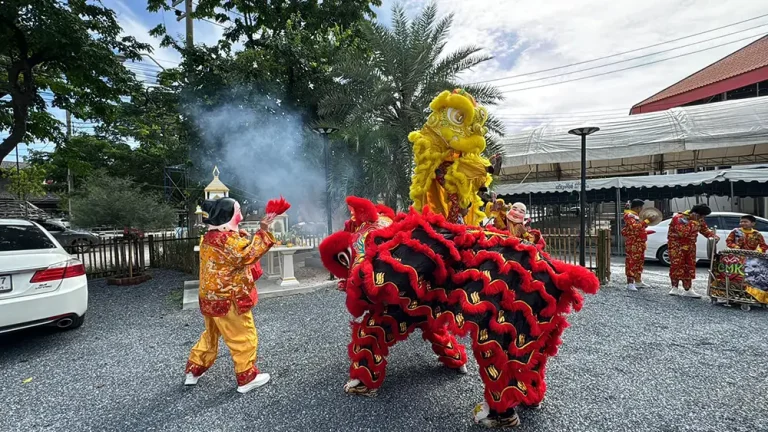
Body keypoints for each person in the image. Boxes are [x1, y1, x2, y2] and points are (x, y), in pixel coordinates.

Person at [184, 197, 275, 394]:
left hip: (209, 297)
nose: (241, 215)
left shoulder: (208, 238)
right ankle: (247, 377)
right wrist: (264, 230)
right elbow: (248, 254)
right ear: (229, 215)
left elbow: (235, 249)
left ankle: (194, 370)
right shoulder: (228, 242)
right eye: (238, 211)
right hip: (229, 298)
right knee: (243, 336)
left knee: (210, 334)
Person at [667, 204, 719, 298]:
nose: (702, 218)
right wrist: (694, 222)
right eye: (702, 216)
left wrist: (713, 236)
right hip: (677, 246)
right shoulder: (679, 218)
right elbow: (683, 233)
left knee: (689, 267)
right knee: (677, 265)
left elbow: (705, 230)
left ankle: (688, 289)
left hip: (690, 247)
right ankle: (674, 287)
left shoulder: (699, 219)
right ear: (695, 213)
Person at [621, 199, 650, 291]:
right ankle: (630, 282)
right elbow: (634, 227)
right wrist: (646, 222)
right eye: (641, 207)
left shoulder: (637, 216)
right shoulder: (629, 216)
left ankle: (638, 280)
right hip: (633, 243)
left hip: (640, 242)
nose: (642, 209)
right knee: (631, 262)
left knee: (639, 262)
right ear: (638, 207)